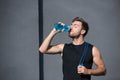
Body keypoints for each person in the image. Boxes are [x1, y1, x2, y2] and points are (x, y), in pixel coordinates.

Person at [39, 17, 106, 80]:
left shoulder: (92, 49)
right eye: (71, 25)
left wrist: (88, 71)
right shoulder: (63, 47)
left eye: (75, 26)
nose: (71, 27)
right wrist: (54, 31)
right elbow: (42, 49)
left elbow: (103, 70)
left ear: (82, 31)